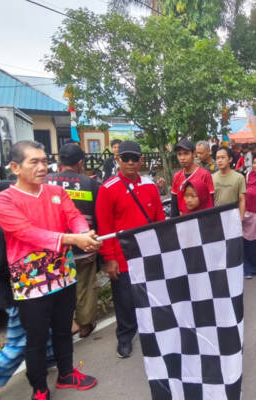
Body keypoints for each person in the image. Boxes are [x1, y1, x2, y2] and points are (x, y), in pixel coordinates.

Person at [0, 141, 100, 399]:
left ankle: (66, 374)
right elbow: (27, 233)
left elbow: (73, 215)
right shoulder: (3, 199)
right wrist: (73, 240)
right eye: (34, 162)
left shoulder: (56, 192)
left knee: (64, 329)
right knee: (37, 338)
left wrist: (84, 233)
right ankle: (39, 387)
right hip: (31, 283)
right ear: (15, 167)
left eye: (44, 161)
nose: (43, 167)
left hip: (63, 275)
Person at [0, 180, 56, 400]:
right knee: (20, 342)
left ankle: (48, 360)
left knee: (44, 327)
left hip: (25, 292)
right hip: (16, 296)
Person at [96, 140, 165, 359]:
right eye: (125, 158)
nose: (131, 163)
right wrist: (109, 258)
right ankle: (125, 337)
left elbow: (159, 221)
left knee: (152, 297)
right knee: (124, 301)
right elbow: (104, 227)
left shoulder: (150, 186)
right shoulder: (108, 189)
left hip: (149, 254)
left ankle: (154, 332)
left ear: (141, 160)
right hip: (122, 257)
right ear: (118, 160)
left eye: (135, 158)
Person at [48, 144, 101, 339]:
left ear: (60, 161)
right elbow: (98, 215)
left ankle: (65, 325)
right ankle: (85, 325)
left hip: (55, 248)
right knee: (84, 287)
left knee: (59, 287)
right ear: (80, 162)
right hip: (84, 247)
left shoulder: (46, 182)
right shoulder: (91, 184)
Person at [171, 139, 214, 217]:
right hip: (182, 220)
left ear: (194, 154)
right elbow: (174, 205)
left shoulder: (205, 174)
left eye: (186, 153)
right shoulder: (176, 176)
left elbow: (210, 203)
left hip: (200, 219)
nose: (182, 158)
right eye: (179, 154)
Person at [212, 147, 246, 218]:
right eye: (217, 158)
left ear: (230, 159)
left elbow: (242, 199)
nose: (219, 160)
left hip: (233, 216)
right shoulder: (212, 177)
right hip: (217, 216)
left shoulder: (239, 177)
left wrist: (241, 217)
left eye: (222, 157)